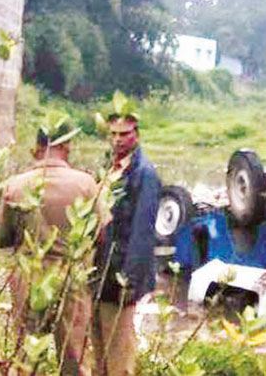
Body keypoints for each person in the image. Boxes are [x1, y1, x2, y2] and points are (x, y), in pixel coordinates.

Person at [0, 121, 103, 376]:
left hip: (29, 274)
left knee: (29, 354)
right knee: (74, 352)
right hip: (71, 275)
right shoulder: (86, 184)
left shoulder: (15, 185)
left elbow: (2, 238)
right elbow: (101, 234)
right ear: (66, 145)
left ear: (38, 146)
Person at [93, 105, 161, 376]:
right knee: (98, 346)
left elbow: (142, 232)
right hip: (99, 270)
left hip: (120, 274)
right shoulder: (108, 167)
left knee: (120, 351)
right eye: (113, 134)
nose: (119, 139)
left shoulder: (144, 173)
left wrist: (130, 280)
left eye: (125, 133)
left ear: (137, 135)